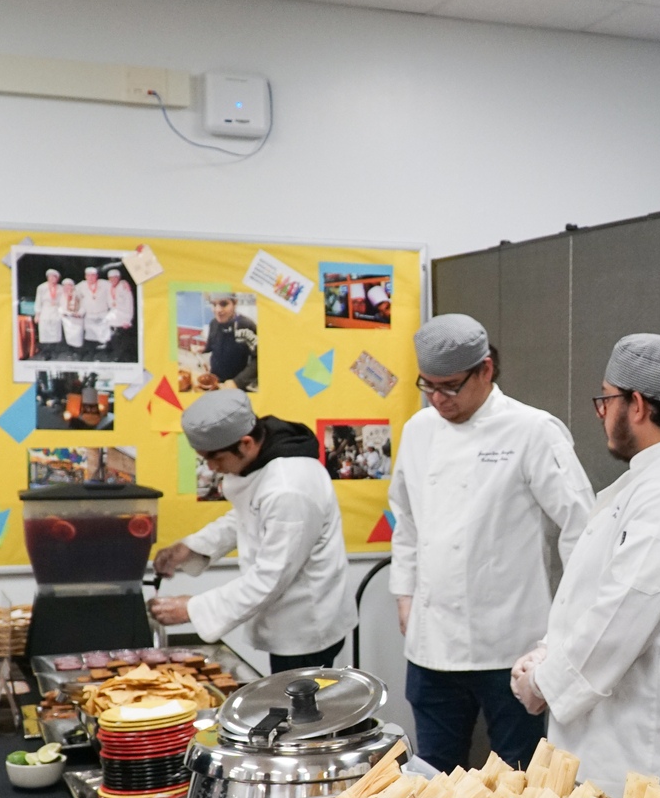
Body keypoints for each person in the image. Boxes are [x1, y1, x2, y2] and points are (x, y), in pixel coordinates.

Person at [511, 334, 660, 796]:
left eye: (605, 401)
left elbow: (620, 618)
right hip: (626, 740)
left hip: (645, 754)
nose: (602, 414)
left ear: (638, 405)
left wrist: (542, 683)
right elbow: (602, 590)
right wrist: (549, 650)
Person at [388, 315, 593, 773]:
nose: (439, 400)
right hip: (432, 644)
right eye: (429, 387)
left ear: (485, 370)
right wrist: (404, 594)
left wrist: (569, 622)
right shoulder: (419, 430)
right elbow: (406, 518)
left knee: (517, 773)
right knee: (433, 772)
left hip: (511, 643)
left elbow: (584, 528)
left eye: (451, 387)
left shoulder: (533, 430)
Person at [150, 390, 356, 672]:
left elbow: (270, 577)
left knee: (300, 710)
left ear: (245, 443)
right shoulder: (263, 457)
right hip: (286, 614)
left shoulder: (289, 487)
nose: (211, 468)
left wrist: (192, 608)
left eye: (214, 458)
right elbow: (247, 517)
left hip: (305, 625)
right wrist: (192, 547)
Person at [202, 294, 257, 391]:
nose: (218, 310)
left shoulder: (246, 325)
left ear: (235, 303)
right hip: (215, 381)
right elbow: (211, 345)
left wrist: (237, 382)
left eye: (223, 304)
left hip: (236, 385)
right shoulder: (213, 323)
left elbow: (259, 359)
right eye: (214, 305)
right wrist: (203, 349)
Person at [78, 266, 112, 354]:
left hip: (102, 313)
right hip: (89, 314)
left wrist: (124, 283)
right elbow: (69, 290)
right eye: (88, 275)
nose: (91, 278)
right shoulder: (81, 285)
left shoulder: (105, 284)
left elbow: (115, 282)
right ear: (85, 277)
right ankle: (91, 353)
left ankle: (105, 354)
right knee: (91, 336)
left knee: (104, 336)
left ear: (97, 276)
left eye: (93, 275)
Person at [34, 269, 65, 357]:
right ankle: (45, 352)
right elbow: (38, 301)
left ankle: (54, 351)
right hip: (45, 310)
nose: (52, 279)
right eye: (50, 276)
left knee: (55, 331)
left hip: (56, 311)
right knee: (45, 331)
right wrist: (37, 314)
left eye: (55, 277)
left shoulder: (61, 288)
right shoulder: (41, 287)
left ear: (57, 279)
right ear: (47, 277)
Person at [107, 266, 135, 353]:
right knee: (114, 339)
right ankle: (115, 354)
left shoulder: (124, 287)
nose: (113, 280)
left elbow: (129, 304)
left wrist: (127, 320)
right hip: (114, 319)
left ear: (119, 278)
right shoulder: (109, 287)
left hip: (124, 319)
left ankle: (121, 356)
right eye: (111, 278)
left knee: (123, 341)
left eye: (115, 277)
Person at [59, 279, 84, 352]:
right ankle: (70, 352)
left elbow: (83, 306)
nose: (67, 288)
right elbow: (58, 306)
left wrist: (79, 313)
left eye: (69, 285)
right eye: (65, 286)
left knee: (78, 337)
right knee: (68, 337)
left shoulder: (78, 294)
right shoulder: (61, 295)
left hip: (77, 319)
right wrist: (62, 312)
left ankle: (79, 353)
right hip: (66, 320)